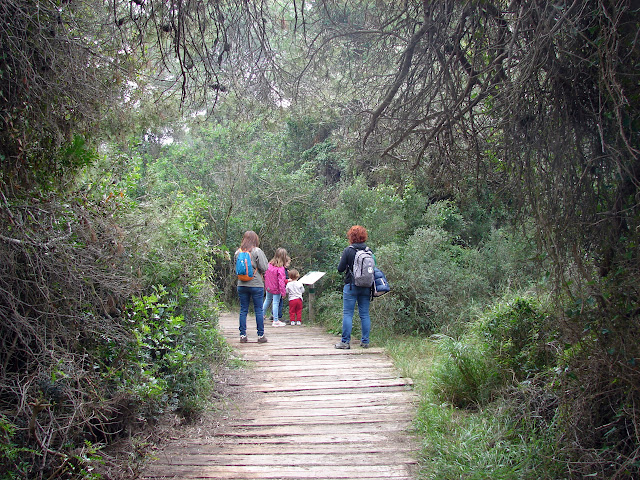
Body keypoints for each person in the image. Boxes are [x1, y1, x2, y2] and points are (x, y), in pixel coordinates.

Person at [335, 225, 372, 349]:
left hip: (351, 285)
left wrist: (343, 261)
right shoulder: (368, 250)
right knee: (365, 314)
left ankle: (345, 342)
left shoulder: (348, 250)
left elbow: (340, 269)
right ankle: (365, 341)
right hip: (366, 286)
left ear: (351, 236)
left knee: (348, 314)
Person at [235, 231, 269, 343]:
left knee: (243, 309)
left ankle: (242, 336)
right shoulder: (257, 251)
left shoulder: (237, 252)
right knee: (258, 310)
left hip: (241, 284)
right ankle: (260, 336)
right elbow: (264, 267)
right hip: (256, 285)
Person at [263, 248, 288, 327]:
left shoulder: (269, 265)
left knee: (267, 300)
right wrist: (283, 292)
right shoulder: (280, 269)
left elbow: (265, 275)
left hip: (268, 287)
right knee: (275, 303)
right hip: (276, 289)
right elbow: (281, 282)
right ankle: (276, 320)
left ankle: (260, 316)